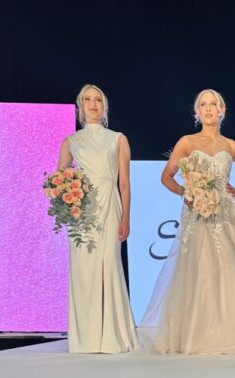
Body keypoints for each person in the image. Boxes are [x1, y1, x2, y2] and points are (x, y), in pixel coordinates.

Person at [139, 89, 235, 355]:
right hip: (197, 214)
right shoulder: (186, 142)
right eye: (203, 105)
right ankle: (197, 335)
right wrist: (187, 193)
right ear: (197, 112)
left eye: (213, 104)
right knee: (200, 271)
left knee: (231, 270)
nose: (208, 109)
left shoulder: (231, 146)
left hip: (227, 215)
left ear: (222, 111)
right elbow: (166, 177)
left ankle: (234, 333)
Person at [58, 84, 138, 353]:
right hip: (82, 212)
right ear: (81, 106)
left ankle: (113, 337)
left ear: (104, 107)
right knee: (84, 270)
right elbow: (60, 179)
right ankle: (86, 339)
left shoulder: (118, 139)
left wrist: (126, 217)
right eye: (88, 100)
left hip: (109, 204)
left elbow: (124, 183)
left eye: (98, 100)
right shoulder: (71, 141)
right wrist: (67, 203)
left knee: (110, 265)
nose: (93, 104)